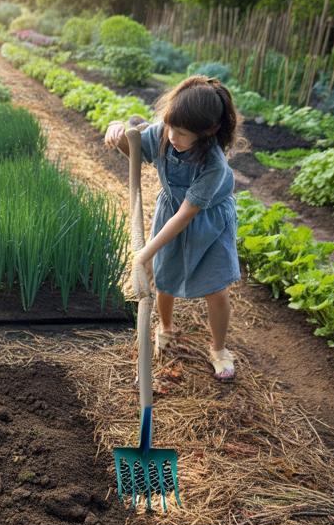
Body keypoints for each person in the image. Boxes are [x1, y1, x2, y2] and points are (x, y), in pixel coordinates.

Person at [104, 75, 244, 381]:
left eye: (181, 133)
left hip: (207, 222)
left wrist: (143, 255)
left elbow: (186, 214)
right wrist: (118, 132)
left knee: (217, 288)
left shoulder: (214, 164)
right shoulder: (165, 132)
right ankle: (165, 326)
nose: (172, 136)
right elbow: (138, 152)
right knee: (164, 277)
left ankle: (218, 348)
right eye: (170, 127)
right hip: (170, 211)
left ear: (208, 131)